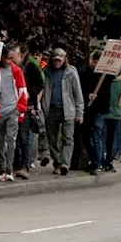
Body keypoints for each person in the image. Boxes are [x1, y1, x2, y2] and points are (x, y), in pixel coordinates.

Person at [41, 48, 84, 176]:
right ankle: (58, 161)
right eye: (55, 60)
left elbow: (78, 93)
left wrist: (79, 112)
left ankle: (65, 163)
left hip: (68, 109)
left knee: (68, 138)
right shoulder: (47, 72)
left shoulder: (71, 72)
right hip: (51, 109)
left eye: (59, 60)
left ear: (64, 59)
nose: (57, 63)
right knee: (52, 138)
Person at [0, 47, 28, 182]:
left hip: (12, 109)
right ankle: (2, 169)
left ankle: (9, 169)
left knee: (11, 139)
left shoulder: (16, 71)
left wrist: (19, 109)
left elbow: (23, 90)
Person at [12, 46, 44, 179]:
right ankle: (15, 165)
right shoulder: (10, 69)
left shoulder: (30, 66)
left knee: (24, 137)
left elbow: (40, 83)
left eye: (13, 58)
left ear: (20, 55)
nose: (11, 61)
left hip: (26, 106)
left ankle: (25, 165)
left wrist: (30, 93)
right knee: (13, 138)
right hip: (12, 106)